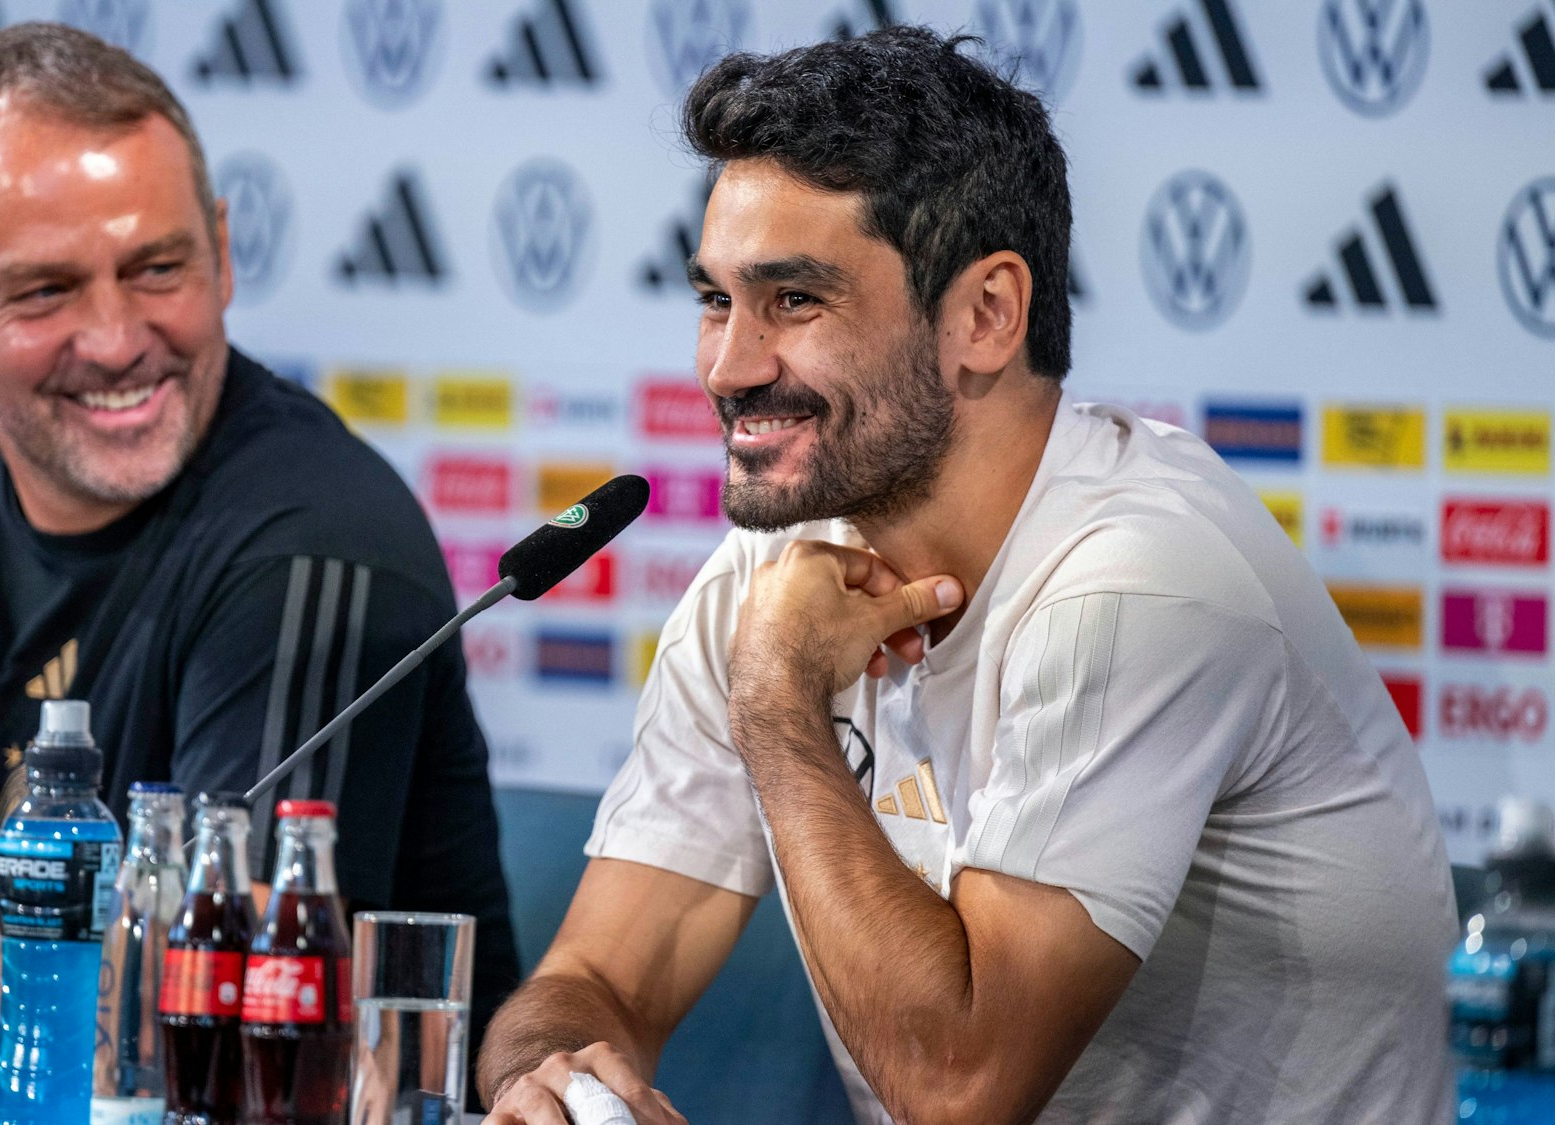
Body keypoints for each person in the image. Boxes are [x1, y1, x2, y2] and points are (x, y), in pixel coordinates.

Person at [479, 27, 1455, 1125]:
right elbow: (599, 978)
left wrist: (776, 705)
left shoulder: (1139, 581)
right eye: (716, 300)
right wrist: (547, 1075)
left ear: (985, 315)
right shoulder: (774, 573)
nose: (726, 365)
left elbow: (960, 1091)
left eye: (793, 300)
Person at [0, 23, 518, 1071]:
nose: (119, 339)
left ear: (221, 253)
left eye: (157, 268)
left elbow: (209, 1011)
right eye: (45, 290)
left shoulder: (317, 538)